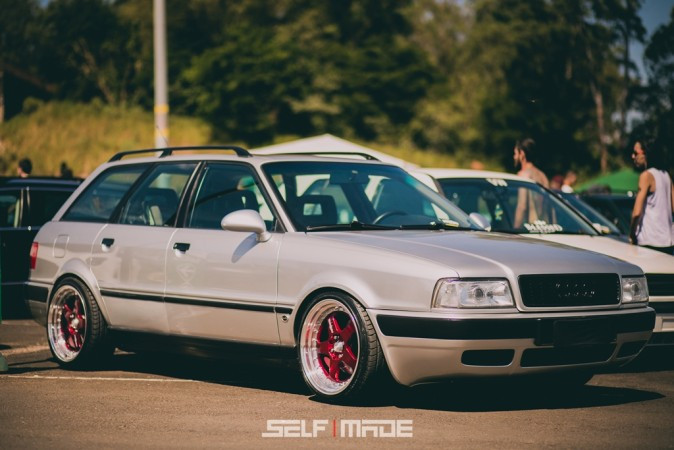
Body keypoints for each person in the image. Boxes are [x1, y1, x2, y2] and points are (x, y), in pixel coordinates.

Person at [629, 141, 674, 255]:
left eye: (636, 153)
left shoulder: (646, 176)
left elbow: (636, 212)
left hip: (649, 242)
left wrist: (632, 234)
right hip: (668, 242)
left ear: (645, 153)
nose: (633, 156)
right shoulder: (666, 176)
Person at [512, 138, 550, 228]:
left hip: (530, 226)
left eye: (515, 153)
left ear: (522, 154)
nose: (514, 157)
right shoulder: (543, 176)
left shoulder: (523, 175)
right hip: (545, 227)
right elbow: (549, 206)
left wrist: (515, 228)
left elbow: (522, 206)